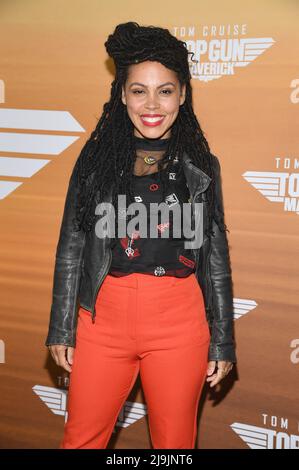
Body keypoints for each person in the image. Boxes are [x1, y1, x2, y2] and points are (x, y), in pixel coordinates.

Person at [45, 21, 236, 449]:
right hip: (102, 322)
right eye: (138, 90)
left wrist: (222, 338)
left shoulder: (202, 165)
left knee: (174, 446)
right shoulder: (95, 160)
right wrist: (61, 327)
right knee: (80, 441)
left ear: (183, 94)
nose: (152, 103)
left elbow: (216, 256)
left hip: (180, 324)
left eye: (165, 90)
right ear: (122, 95)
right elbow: (72, 247)